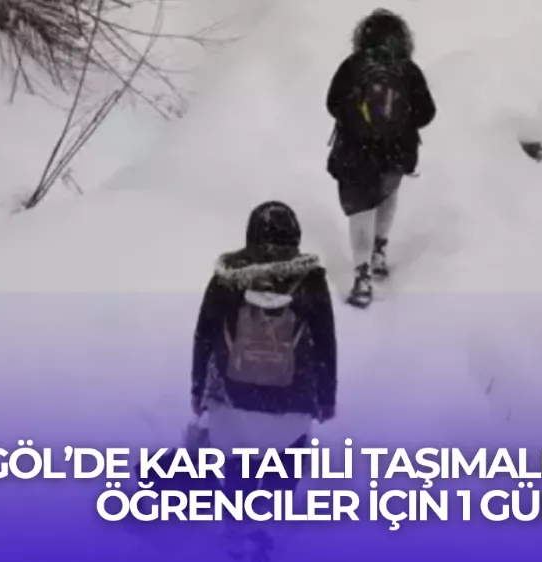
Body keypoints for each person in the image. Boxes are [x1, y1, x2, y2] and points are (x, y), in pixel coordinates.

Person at [190, 201, 337, 556]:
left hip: (232, 397)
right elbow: (325, 341)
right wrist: (326, 397)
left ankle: (235, 531)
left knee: (237, 466)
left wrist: (198, 389)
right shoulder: (311, 280)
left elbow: (204, 335)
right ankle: (263, 523)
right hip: (292, 401)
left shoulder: (227, 277)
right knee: (287, 463)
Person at [326, 8, 437, 308]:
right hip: (395, 153)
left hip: (354, 153)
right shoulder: (408, 69)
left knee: (360, 211)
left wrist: (358, 121)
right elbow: (427, 113)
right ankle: (379, 251)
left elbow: (332, 103)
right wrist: (399, 123)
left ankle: (361, 277)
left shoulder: (352, 66)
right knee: (387, 195)